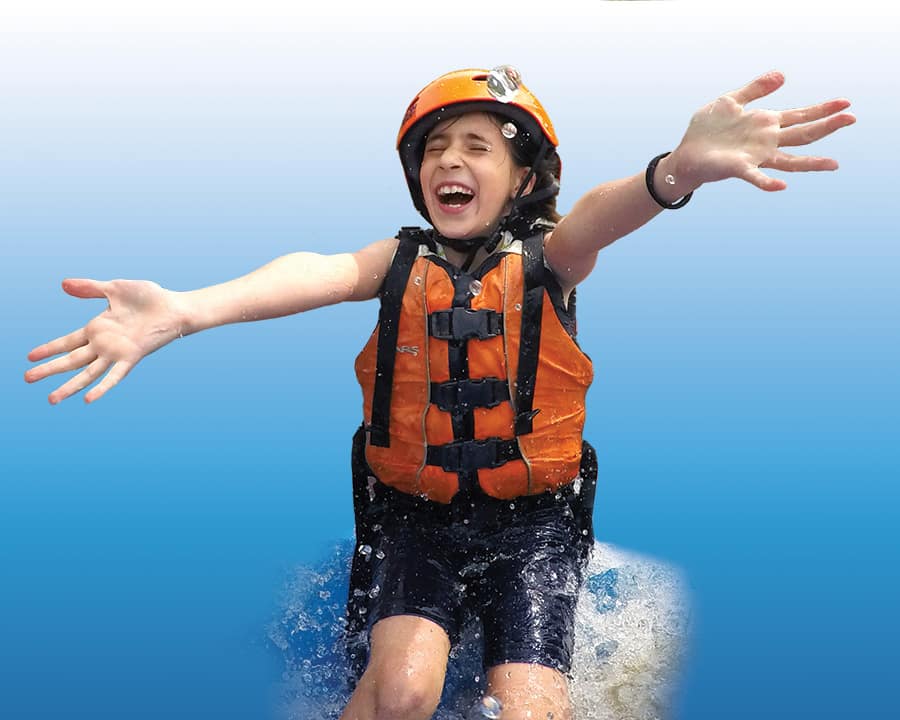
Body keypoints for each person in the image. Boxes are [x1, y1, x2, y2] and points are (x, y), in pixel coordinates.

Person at [24, 66, 854, 720]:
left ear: (525, 177)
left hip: (534, 526)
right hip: (416, 521)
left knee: (532, 712)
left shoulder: (552, 259)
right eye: (434, 150)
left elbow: (602, 215)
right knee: (402, 696)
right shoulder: (396, 263)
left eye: (478, 146)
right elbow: (309, 271)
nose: (450, 161)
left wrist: (673, 174)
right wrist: (185, 312)